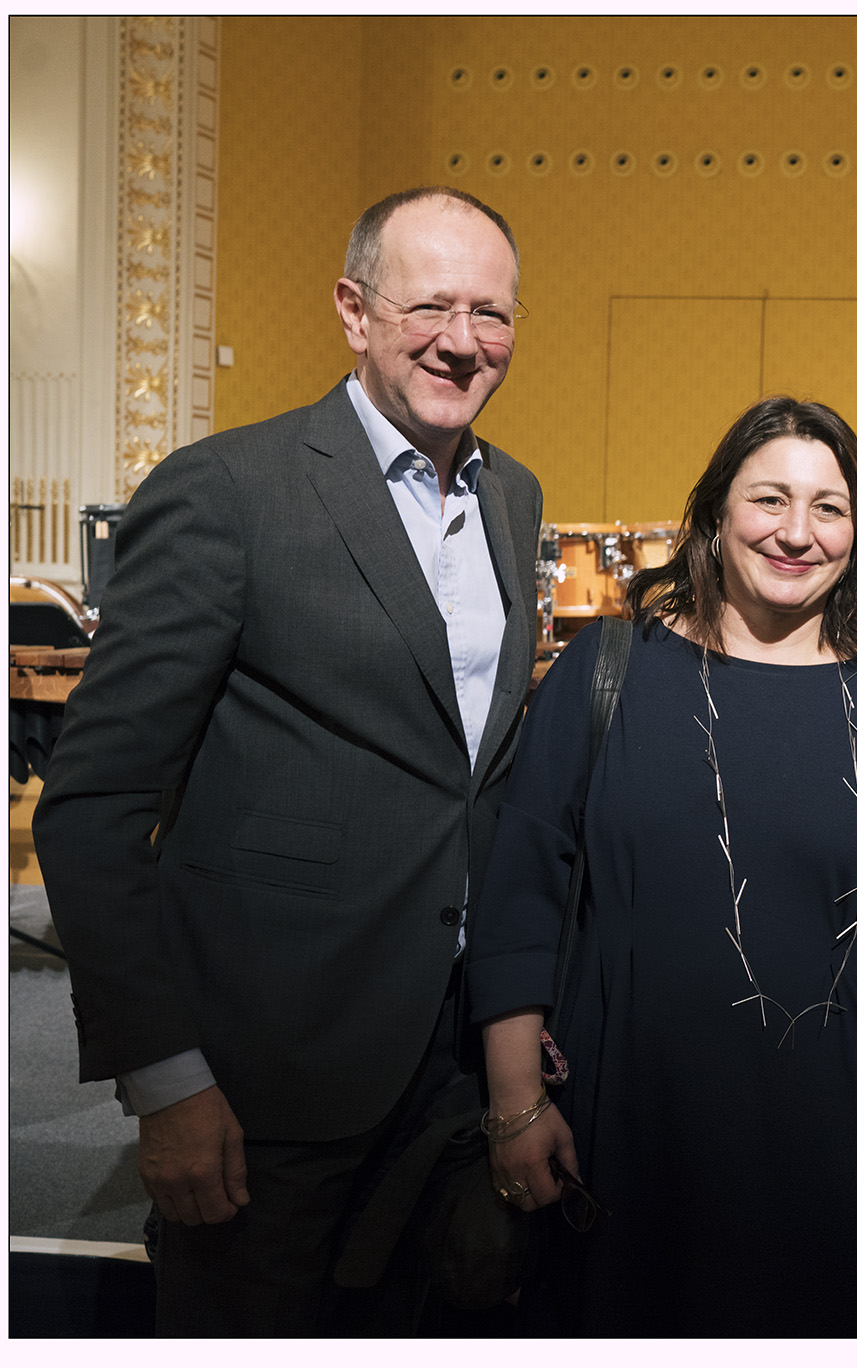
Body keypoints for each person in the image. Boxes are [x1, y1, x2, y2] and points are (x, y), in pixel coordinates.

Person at [32, 186, 544, 1334]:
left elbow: (469, 776)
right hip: (267, 1073)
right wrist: (166, 1080)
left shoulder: (513, 497)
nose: (462, 340)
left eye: (491, 313)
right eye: (428, 306)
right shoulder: (228, 491)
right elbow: (92, 811)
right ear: (353, 311)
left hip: (453, 1063)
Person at [467, 395, 857, 1336]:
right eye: (769, 499)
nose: (797, 532)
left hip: (844, 1158)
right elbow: (519, 899)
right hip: (625, 1141)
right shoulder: (606, 673)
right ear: (715, 512)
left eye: (829, 508)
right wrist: (514, 1105)